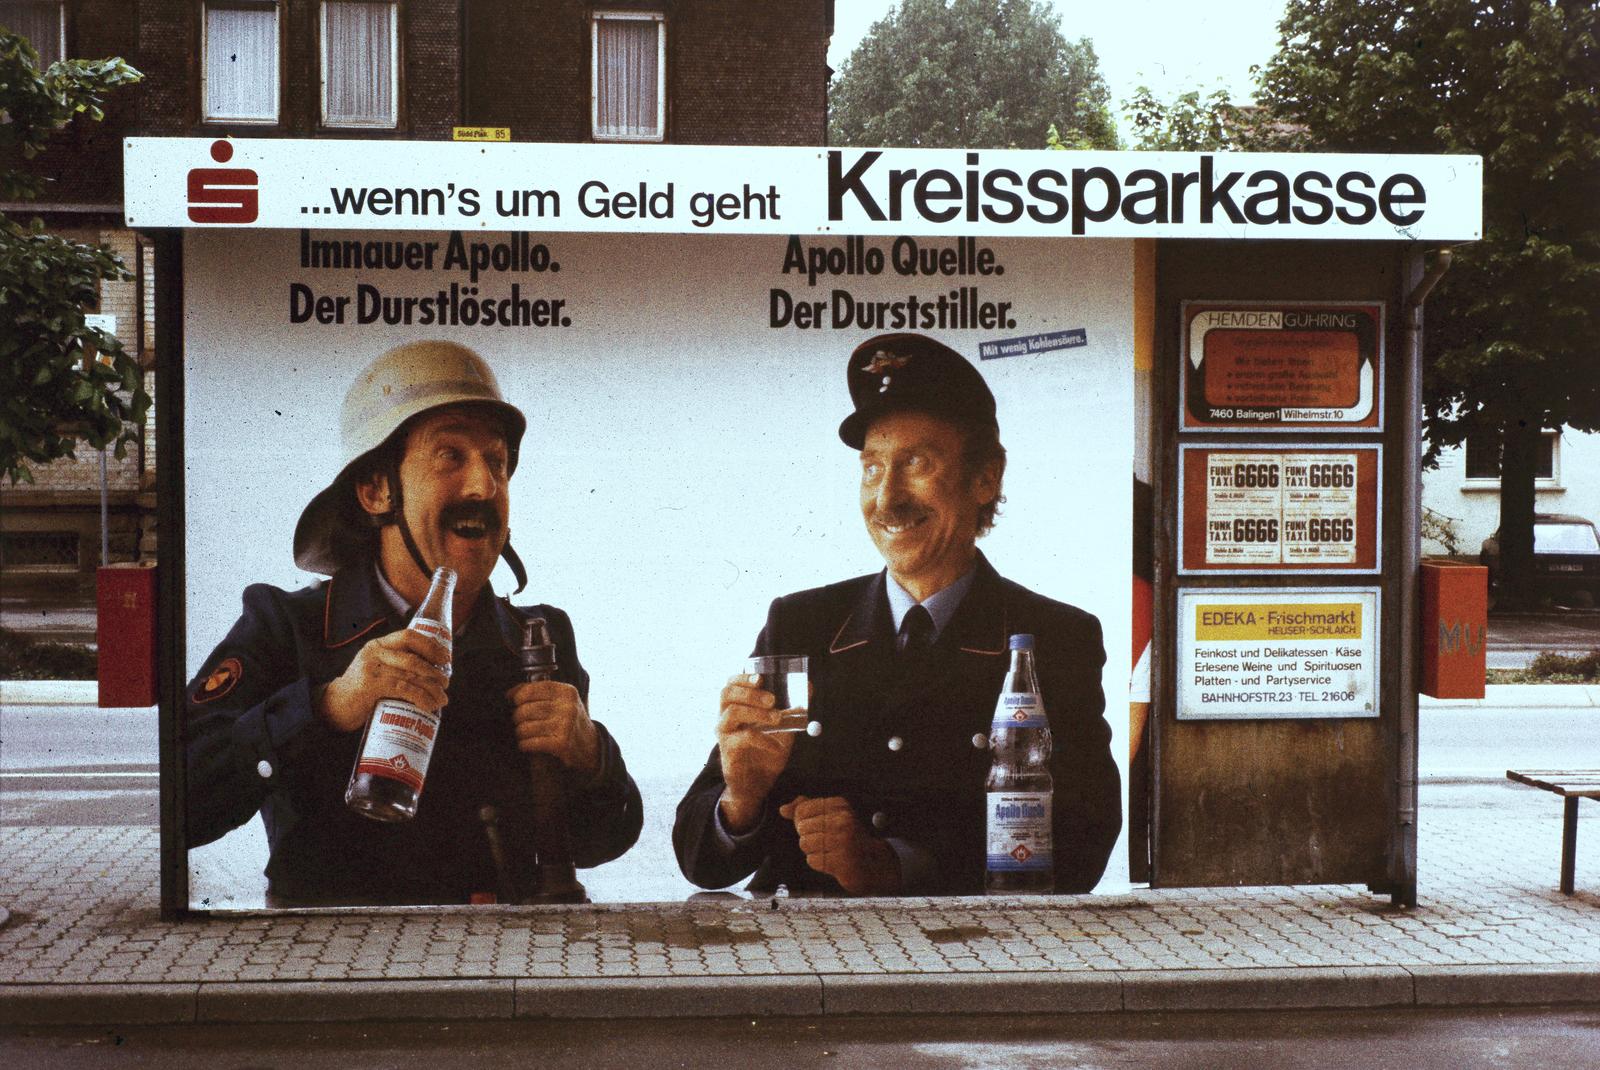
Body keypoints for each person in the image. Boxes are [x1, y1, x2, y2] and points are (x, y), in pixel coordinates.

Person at [184, 340, 641, 905]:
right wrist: (325, 707)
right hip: (341, 954)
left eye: (497, 462)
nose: (484, 486)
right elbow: (184, 805)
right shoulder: (288, 627)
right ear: (377, 490)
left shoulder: (537, 640)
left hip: (510, 951)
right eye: (450, 456)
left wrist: (591, 757)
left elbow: (600, 841)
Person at [673, 332, 1121, 896]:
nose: (886, 499)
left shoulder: (1057, 638)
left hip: (977, 947)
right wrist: (742, 798)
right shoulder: (802, 626)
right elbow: (701, 863)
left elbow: (1084, 846)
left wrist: (896, 868)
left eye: (916, 463)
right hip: (807, 945)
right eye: (872, 468)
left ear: (986, 477)